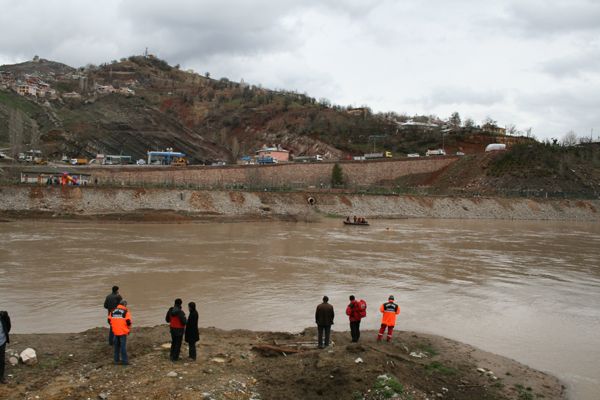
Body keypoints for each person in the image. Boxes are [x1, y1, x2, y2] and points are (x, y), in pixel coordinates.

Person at [109, 299, 132, 365]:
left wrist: (114, 327)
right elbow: (128, 322)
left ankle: (116, 360)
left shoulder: (113, 311)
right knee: (123, 346)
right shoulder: (125, 311)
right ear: (124, 305)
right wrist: (128, 330)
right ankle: (125, 361)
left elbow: (109, 320)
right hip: (123, 332)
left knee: (116, 346)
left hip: (115, 332)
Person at [0, 310, 11, 384]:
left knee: (1, 360)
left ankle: (1, 377)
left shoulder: (3, 315)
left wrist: (5, 334)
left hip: (2, 341)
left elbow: (8, 326)